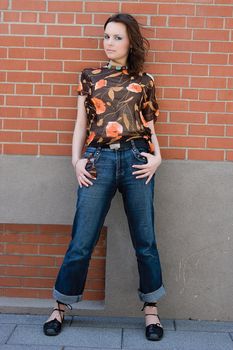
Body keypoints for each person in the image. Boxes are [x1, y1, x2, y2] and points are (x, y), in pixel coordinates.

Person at [43, 13, 166, 341]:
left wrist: (158, 157)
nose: (109, 43)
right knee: (82, 239)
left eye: (117, 37)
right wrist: (76, 161)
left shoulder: (144, 80)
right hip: (98, 161)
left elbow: (150, 125)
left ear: (131, 42)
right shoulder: (89, 77)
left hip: (137, 159)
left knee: (145, 240)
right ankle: (60, 306)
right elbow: (80, 124)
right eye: (106, 36)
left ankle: (151, 311)